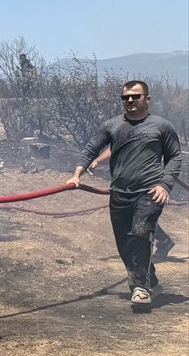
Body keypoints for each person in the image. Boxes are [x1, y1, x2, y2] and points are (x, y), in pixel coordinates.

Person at [67, 81, 182, 306]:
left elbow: (175, 157)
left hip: (149, 191)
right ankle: (151, 280)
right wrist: (77, 174)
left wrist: (165, 185)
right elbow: (91, 149)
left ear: (147, 99)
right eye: (125, 98)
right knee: (125, 242)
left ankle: (139, 287)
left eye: (135, 96)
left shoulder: (162, 126)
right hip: (119, 193)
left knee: (140, 234)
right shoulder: (112, 125)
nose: (130, 101)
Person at [87, 147, 175, 260]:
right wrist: (98, 160)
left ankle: (147, 252)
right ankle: (163, 242)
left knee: (143, 216)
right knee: (135, 216)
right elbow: (115, 146)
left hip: (148, 181)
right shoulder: (125, 133)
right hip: (131, 181)